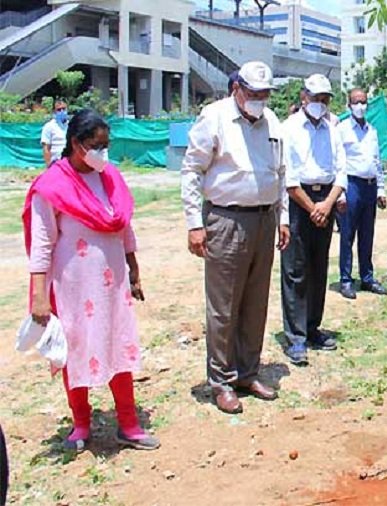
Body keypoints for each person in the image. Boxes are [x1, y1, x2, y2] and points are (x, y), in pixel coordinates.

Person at [23, 109, 159, 451]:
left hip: (112, 283)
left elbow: (124, 224)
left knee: (119, 342)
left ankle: (128, 424)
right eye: (96, 145)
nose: (103, 151)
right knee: (76, 348)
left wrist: (135, 270)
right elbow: (41, 244)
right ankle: (80, 425)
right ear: (76, 144)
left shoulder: (110, 176)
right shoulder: (51, 187)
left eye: (106, 144)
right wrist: (39, 296)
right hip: (73, 285)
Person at [182, 61, 289, 414]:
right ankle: (222, 380)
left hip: (264, 220)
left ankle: (248, 372)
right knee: (224, 306)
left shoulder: (272, 122)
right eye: (253, 93)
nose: (259, 100)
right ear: (237, 89)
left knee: (256, 302)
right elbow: (192, 170)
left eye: (264, 94)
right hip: (226, 220)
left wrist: (283, 218)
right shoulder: (213, 117)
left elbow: (281, 172)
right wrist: (194, 224)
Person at [281, 73, 347, 366]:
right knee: (296, 269)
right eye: (316, 98)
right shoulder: (290, 128)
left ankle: (312, 327)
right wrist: (312, 208)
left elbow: (341, 171)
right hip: (300, 203)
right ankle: (295, 337)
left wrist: (327, 203)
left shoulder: (333, 130)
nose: (321, 104)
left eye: (326, 99)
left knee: (319, 267)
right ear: (303, 97)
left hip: (327, 199)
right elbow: (289, 177)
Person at [336, 89, 387, 300]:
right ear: (349, 106)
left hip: (369, 186)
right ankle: (346, 280)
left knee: (367, 234)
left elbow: (377, 161)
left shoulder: (372, 131)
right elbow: (337, 162)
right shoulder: (341, 130)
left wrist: (381, 189)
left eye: (364, 102)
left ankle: (367, 277)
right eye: (356, 102)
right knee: (347, 234)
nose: (361, 106)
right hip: (351, 185)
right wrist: (339, 192)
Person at [41, 100, 68, 167]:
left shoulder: (72, 125)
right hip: (55, 163)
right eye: (59, 110)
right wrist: (48, 165)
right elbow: (46, 148)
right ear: (54, 111)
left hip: (69, 163)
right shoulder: (49, 126)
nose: (62, 111)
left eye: (64, 109)